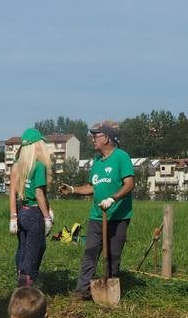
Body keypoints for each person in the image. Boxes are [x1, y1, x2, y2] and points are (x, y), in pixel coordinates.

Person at [58, 123, 135, 300]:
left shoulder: (121, 157)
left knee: (113, 256)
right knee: (90, 253)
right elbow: (91, 187)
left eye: (96, 136)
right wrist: (72, 189)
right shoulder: (96, 161)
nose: (93, 139)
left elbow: (129, 184)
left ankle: (110, 292)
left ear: (107, 138)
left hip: (118, 217)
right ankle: (82, 291)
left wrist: (112, 199)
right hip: (97, 216)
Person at [8, 128, 54, 288]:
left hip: (22, 212)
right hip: (35, 213)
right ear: (37, 145)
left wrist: (13, 217)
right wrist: (47, 216)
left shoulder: (16, 165)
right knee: (35, 250)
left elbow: (12, 193)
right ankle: (27, 283)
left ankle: (20, 274)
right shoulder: (39, 166)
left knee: (23, 247)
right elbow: (39, 193)